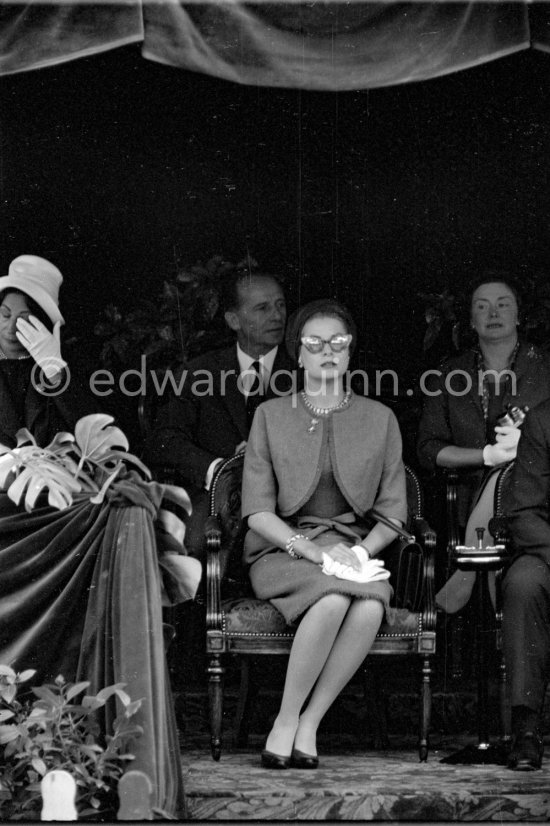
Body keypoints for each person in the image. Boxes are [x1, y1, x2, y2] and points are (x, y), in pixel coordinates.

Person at [241, 299, 407, 768]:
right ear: (298, 353)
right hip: (283, 550)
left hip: (354, 549)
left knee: (370, 600)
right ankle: (285, 718)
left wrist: (358, 552)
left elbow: (394, 509)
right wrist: (311, 550)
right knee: (334, 597)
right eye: (315, 343)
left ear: (351, 352)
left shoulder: (381, 418)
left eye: (339, 342)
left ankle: (309, 721)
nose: (328, 351)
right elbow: (256, 511)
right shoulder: (270, 416)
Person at [417, 274, 550, 612]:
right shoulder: (448, 374)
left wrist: (529, 444)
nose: (493, 312)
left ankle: (468, 568)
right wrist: (486, 455)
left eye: (503, 304)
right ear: (472, 321)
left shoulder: (546, 368)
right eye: (482, 306)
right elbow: (429, 449)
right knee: (501, 468)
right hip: (465, 500)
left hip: (537, 500)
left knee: (514, 468)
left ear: (519, 315)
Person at [143, 269, 295, 557]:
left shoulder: (304, 372)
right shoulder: (201, 372)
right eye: (262, 308)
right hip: (216, 499)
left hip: (287, 498)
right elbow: (164, 440)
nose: (277, 316)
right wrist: (218, 469)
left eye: (280, 305)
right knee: (192, 550)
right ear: (233, 320)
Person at [0, 254, 97, 446]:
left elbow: (95, 434)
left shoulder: (71, 363)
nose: (11, 328)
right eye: (5, 314)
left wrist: (54, 371)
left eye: (24, 319)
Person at [501, 398, 550, 770]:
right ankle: (526, 729)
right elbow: (523, 512)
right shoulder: (543, 420)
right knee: (523, 583)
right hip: (546, 548)